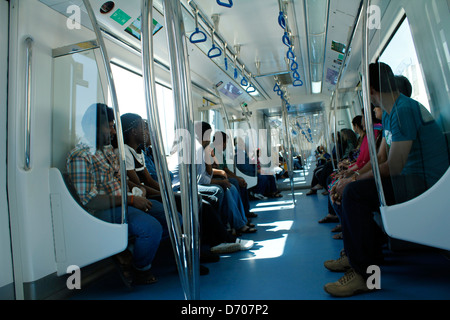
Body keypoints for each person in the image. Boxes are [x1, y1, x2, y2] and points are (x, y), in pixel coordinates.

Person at [323, 63, 449, 297]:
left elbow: (393, 166)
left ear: (371, 90)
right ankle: (359, 256)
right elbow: (381, 157)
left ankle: (366, 276)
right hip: (409, 179)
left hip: (424, 185)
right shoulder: (393, 113)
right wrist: (352, 176)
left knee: (354, 194)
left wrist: (351, 183)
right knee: (353, 189)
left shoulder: (403, 111)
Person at [66, 103, 163, 287]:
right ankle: (140, 269)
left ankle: (130, 250)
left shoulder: (107, 151)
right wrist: (132, 200)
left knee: (171, 217)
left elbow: (120, 178)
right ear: (94, 127)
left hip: (125, 201)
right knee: (152, 229)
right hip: (104, 210)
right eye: (110, 126)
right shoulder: (80, 156)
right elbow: (91, 200)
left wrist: (138, 189)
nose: (113, 132)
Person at [211, 131, 256, 218]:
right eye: (226, 143)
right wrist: (236, 179)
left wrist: (238, 178)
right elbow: (214, 171)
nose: (226, 145)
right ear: (222, 142)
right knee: (235, 183)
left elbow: (225, 169)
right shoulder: (212, 151)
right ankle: (239, 215)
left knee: (241, 182)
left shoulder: (220, 153)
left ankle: (244, 212)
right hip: (216, 178)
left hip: (222, 176)